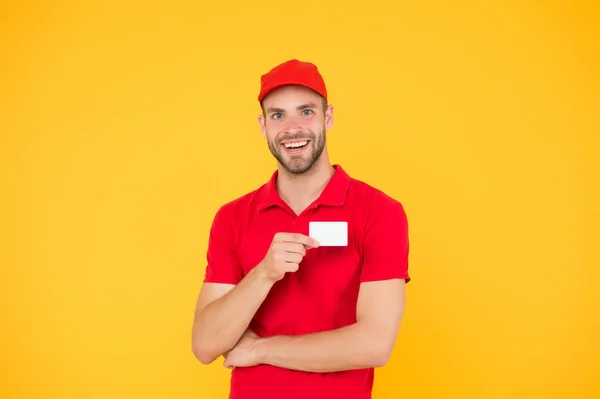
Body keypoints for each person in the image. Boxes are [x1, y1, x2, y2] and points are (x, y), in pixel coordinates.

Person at [191, 59, 411, 399]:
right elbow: (206, 344)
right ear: (263, 126)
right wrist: (264, 273)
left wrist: (261, 350)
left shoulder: (380, 212)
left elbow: (375, 344)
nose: (293, 128)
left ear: (329, 117)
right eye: (278, 115)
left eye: (306, 112)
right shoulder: (232, 217)